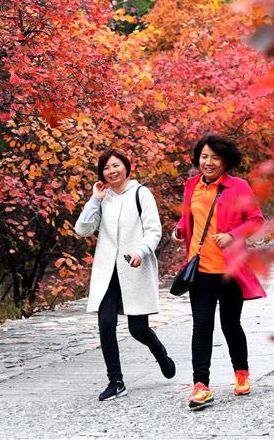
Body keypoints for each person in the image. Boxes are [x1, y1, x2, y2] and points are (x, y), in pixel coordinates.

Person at [172, 134, 266, 410]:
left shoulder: (238, 187)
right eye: (204, 156)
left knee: (229, 324)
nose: (208, 162)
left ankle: (241, 373)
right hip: (199, 269)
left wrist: (233, 235)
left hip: (230, 270)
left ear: (225, 161)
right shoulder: (192, 186)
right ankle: (200, 386)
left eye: (214, 157)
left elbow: (257, 220)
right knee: (201, 327)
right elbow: (190, 216)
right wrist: (180, 228)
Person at [75, 148, 175, 401]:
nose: (112, 171)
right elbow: (82, 230)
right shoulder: (103, 198)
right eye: (107, 168)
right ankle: (116, 382)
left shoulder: (141, 193)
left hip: (134, 268)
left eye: (116, 165)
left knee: (137, 329)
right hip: (107, 272)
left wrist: (141, 252)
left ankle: (160, 353)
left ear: (126, 167)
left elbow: (154, 230)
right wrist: (95, 199)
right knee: (106, 325)